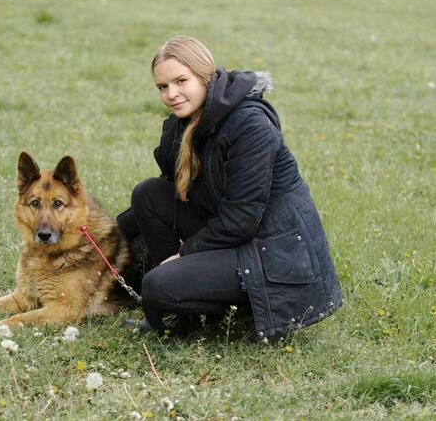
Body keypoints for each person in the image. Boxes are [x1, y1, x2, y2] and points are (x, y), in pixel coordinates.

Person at [117, 36, 342, 340]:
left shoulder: (249, 125)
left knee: (156, 284)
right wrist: (101, 230)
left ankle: (188, 299)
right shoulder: (182, 123)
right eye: (162, 87)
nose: (171, 94)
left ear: (205, 75)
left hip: (271, 255)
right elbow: (167, 192)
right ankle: (181, 315)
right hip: (232, 237)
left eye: (181, 80)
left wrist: (184, 254)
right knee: (148, 194)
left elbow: (242, 220)